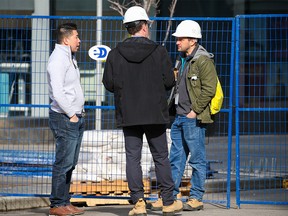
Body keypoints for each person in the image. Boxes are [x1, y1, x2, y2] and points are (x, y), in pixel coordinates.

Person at [102, 6, 183, 216]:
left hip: (129, 114)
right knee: (161, 157)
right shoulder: (159, 51)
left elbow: (109, 83)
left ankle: (138, 202)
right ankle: (167, 201)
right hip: (155, 113)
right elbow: (168, 82)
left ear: (128, 28)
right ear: (145, 26)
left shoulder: (115, 53)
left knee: (133, 158)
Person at [150, 20, 218, 211]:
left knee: (197, 159)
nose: (177, 42)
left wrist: (194, 111)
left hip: (192, 118)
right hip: (179, 117)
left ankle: (196, 198)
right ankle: (169, 198)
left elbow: (209, 89)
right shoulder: (182, 59)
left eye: (181, 39)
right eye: (177, 38)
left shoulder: (203, 60)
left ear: (193, 40)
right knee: (175, 159)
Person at [47, 23, 85, 216]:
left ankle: (65, 201)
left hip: (74, 117)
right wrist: (71, 114)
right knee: (63, 162)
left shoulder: (69, 57)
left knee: (70, 162)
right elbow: (57, 92)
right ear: (66, 39)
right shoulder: (57, 60)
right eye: (76, 37)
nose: (79, 40)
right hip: (64, 118)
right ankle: (56, 204)